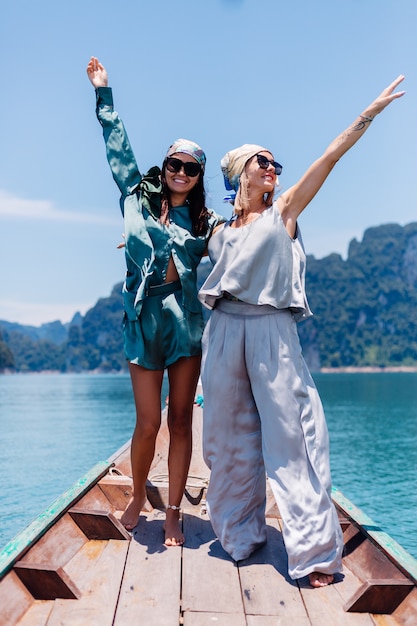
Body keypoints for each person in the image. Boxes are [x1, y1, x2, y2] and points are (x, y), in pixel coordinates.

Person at [198, 76, 405, 585]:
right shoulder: (219, 233)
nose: (272, 169)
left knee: (294, 440)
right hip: (223, 334)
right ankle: (240, 535)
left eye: (275, 164)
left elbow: (328, 160)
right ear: (240, 175)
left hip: (270, 334)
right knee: (227, 441)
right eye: (261, 162)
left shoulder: (284, 212)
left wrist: (368, 115)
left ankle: (313, 553)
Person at [86, 57, 224, 546]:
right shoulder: (137, 198)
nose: (180, 173)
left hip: (185, 326)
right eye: (174, 165)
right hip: (143, 321)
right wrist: (104, 95)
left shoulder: (207, 223)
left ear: (199, 173)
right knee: (147, 422)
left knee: (181, 420)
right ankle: (132, 499)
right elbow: (118, 151)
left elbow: (239, 247)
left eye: (190, 168)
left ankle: (171, 512)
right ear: (164, 168)